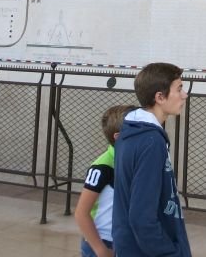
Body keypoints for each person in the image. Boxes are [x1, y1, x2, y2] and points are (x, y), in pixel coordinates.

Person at [112, 62, 191, 257]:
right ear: (160, 97)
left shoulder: (132, 132)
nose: (184, 95)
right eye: (179, 89)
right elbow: (141, 218)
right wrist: (170, 253)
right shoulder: (151, 142)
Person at [74, 104, 133, 257]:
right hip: (103, 243)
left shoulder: (134, 162)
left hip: (125, 242)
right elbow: (81, 213)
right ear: (118, 137)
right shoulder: (102, 167)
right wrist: (100, 250)